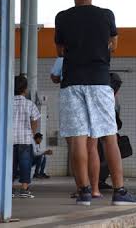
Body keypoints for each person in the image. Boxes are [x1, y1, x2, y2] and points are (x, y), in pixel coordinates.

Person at [55, 0, 136, 206]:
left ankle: (83, 191)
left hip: (72, 82)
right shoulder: (106, 15)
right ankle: (119, 191)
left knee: (78, 139)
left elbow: (60, 51)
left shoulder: (62, 17)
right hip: (99, 81)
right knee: (109, 138)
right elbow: (114, 44)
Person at [49, 55, 103, 199]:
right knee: (92, 148)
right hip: (94, 94)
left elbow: (54, 77)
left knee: (75, 145)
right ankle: (95, 189)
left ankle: (82, 188)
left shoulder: (65, 55)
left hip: (72, 97)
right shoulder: (96, 49)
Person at [12, 74, 40, 199]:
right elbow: (35, 120)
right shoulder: (30, 104)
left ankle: (9, 189)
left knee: (10, 165)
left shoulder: (7, 103)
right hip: (25, 140)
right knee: (25, 164)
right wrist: (32, 134)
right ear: (25, 89)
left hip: (10, 140)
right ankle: (24, 189)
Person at [98, 72, 123, 190]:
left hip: (105, 130)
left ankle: (99, 180)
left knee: (105, 157)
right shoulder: (108, 96)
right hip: (105, 131)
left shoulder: (112, 96)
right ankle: (98, 181)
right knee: (104, 156)